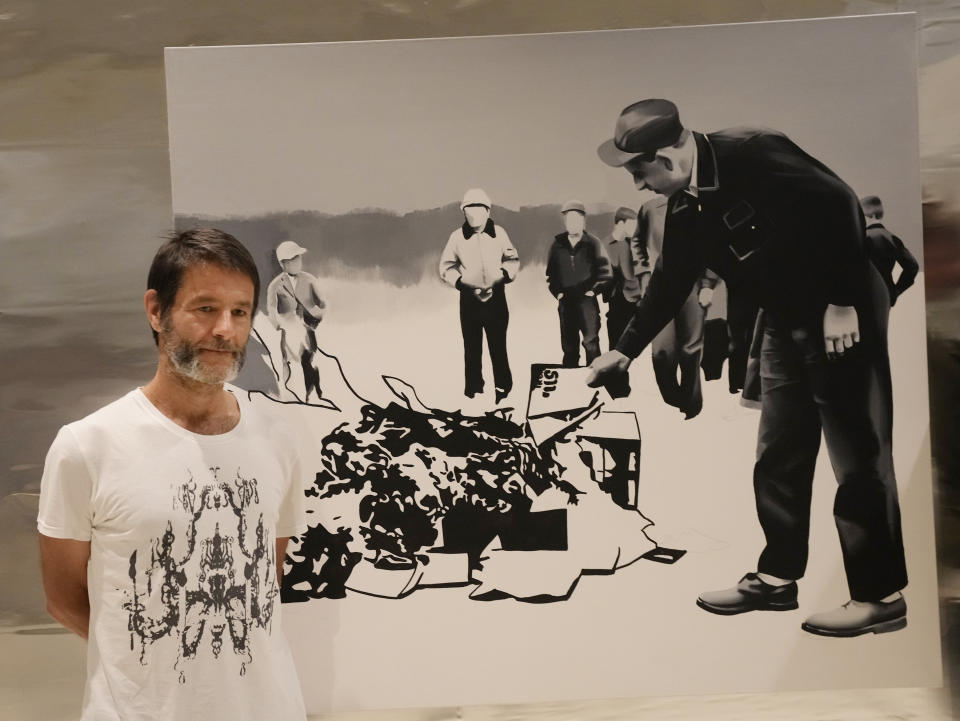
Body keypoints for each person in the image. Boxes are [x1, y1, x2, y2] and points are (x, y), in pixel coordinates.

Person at [589, 98, 907, 637]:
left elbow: (839, 204)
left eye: (639, 170)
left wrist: (841, 301)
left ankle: (880, 596)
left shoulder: (753, 152)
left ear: (665, 155)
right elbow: (669, 282)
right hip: (784, 316)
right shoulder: (685, 208)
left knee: (857, 449)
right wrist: (623, 350)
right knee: (779, 447)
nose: (638, 185)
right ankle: (777, 579)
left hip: (841, 306)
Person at [37, 229, 308, 720]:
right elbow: (63, 599)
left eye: (240, 311)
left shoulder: (278, 439)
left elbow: (266, 577)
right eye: (205, 309)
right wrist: (149, 655)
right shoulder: (87, 446)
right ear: (156, 310)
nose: (225, 330)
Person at [635, 195, 718, 419]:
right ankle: (673, 400)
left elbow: (715, 246)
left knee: (690, 349)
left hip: (693, 288)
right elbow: (637, 243)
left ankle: (692, 406)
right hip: (660, 289)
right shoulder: (649, 209)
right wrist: (644, 276)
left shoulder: (700, 205)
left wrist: (709, 283)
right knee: (661, 352)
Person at [439, 188, 519, 403]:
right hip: (469, 302)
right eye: (468, 210)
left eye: (477, 209)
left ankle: (503, 390)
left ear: (487, 211)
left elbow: (512, 260)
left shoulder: (499, 234)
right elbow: (446, 267)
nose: (473, 214)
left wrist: (502, 276)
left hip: (496, 300)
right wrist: (462, 283)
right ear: (463, 212)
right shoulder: (456, 237)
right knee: (472, 348)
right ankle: (474, 392)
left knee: (498, 347)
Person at [545, 200, 613, 368]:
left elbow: (606, 272)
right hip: (565, 302)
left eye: (576, 219)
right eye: (569, 219)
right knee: (569, 346)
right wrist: (557, 293)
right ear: (565, 221)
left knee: (591, 343)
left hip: (586, 301)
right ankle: (570, 387)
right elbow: (550, 275)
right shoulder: (557, 245)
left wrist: (593, 291)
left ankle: (595, 385)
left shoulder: (593, 243)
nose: (572, 223)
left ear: (583, 221)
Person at [266, 240, 326, 403]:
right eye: (293, 259)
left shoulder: (310, 279)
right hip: (288, 330)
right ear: (283, 263)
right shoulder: (275, 285)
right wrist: (279, 326)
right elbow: (271, 309)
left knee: (310, 360)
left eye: (299, 258)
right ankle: (289, 396)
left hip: (309, 328)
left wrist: (316, 318)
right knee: (288, 363)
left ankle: (314, 395)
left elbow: (323, 304)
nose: (298, 262)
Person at [860, 194, 919, 307]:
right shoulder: (893, 238)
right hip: (886, 295)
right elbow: (912, 266)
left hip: (865, 295)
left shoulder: (862, 238)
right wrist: (896, 291)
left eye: (862, 216)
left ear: (870, 215)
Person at [602, 206, 642, 350]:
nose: (634, 229)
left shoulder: (634, 244)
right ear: (620, 224)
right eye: (631, 225)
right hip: (616, 301)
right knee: (616, 346)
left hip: (635, 300)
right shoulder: (604, 245)